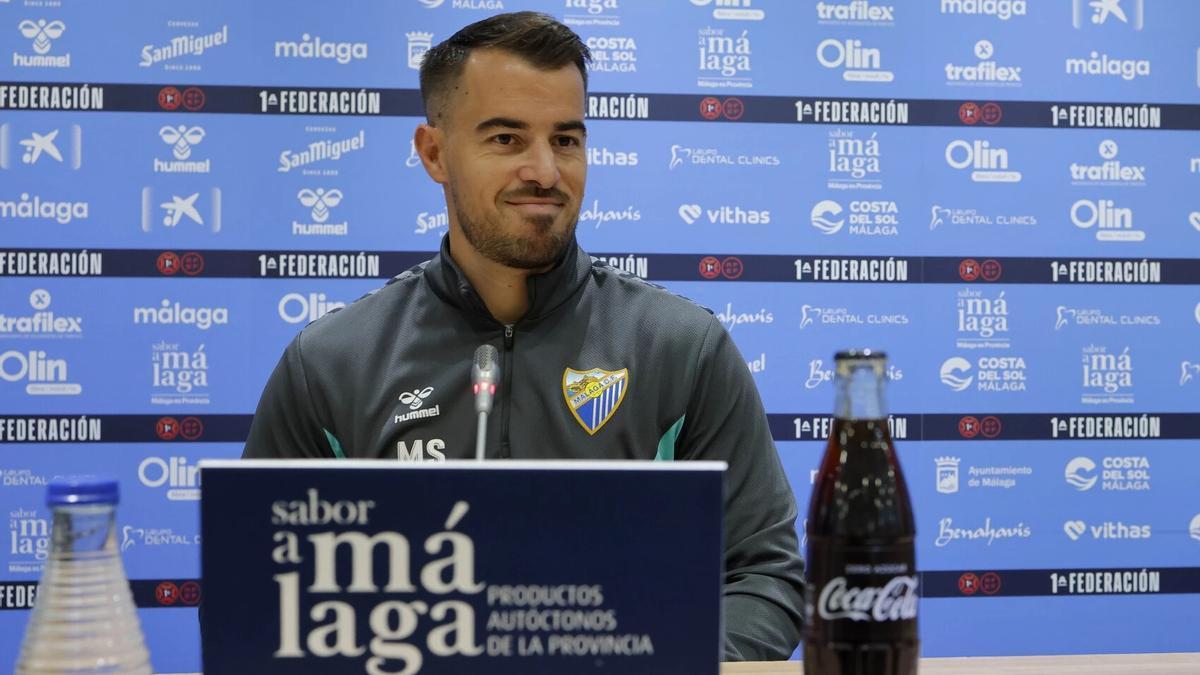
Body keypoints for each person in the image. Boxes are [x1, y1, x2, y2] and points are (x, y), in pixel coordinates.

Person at [243, 11, 804, 661]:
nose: (544, 171)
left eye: (565, 140)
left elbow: (761, 576)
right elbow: (262, 595)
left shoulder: (682, 348)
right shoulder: (331, 364)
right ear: (433, 153)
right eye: (507, 139)